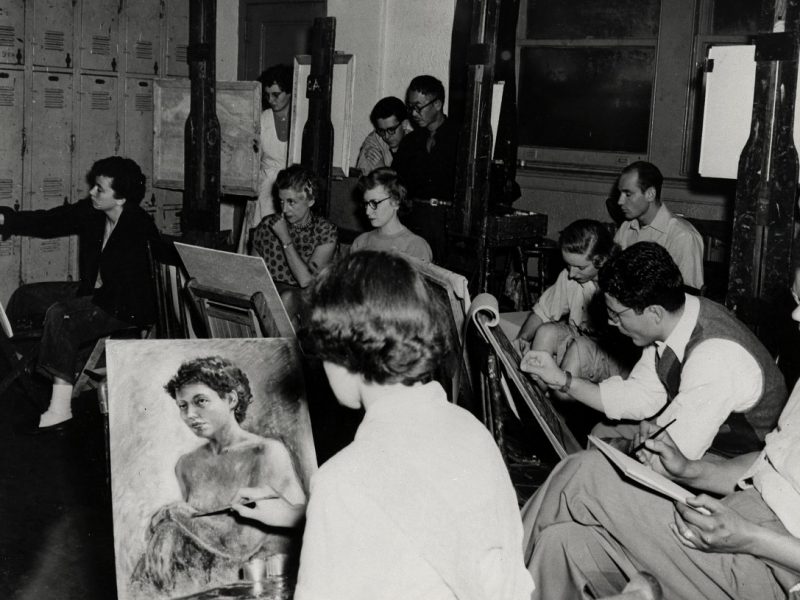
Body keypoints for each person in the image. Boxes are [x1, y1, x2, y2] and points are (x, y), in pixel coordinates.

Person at [237, 251, 533, 599]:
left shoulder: (342, 480)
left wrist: (322, 509)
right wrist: (302, 516)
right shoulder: (472, 432)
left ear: (343, 356)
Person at [521, 342, 800, 598]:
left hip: (772, 565)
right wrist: (688, 470)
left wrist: (752, 538)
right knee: (558, 545)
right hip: (736, 519)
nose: (795, 315)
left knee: (586, 473)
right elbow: (771, 463)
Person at [521, 242, 787, 460]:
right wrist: (561, 379)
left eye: (617, 315)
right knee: (599, 435)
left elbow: (678, 452)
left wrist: (620, 450)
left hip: (741, 459)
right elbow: (640, 396)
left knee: (595, 461)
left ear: (654, 313)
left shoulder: (713, 356)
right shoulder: (676, 317)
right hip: (707, 437)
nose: (612, 323)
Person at [0, 156, 164, 431]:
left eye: (100, 189)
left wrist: (79, 305)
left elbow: (134, 289)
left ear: (120, 198)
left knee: (62, 316)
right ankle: (21, 365)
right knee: (26, 296)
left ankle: (61, 407)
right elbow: (50, 220)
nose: (92, 192)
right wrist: (6, 218)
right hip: (94, 290)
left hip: (124, 304)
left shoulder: (139, 227)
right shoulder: (93, 212)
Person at [132, 356, 306, 597]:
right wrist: (168, 531)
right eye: (182, 406)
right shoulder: (187, 464)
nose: (190, 414)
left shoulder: (266, 452)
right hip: (210, 587)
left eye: (200, 401)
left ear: (231, 399)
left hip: (262, 585)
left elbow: (239, 543)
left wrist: (173, 517)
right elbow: (199, 541)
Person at [514, 219, 628, 393]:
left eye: (580, 267)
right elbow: (542, 311)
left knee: (579, 350)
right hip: (582, 339)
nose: (572, 273)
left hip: (615, 355)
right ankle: (538, 396)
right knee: (545, 331)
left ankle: (557, 405)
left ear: (602, 259)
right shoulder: (570, 276)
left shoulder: (620, 283)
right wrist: (522, 338)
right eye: (568, 265)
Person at [250, 165, 337, 322]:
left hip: (307, 299)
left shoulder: (325, 231)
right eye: (281, 201)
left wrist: (285, 238)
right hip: (269, 294)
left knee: (287, 298)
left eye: (291, 202)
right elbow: (253, 272)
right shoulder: (268, 224)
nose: (284, 209)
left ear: (310, 200)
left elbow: (306, 281)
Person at [392, 75, 460, 261]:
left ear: (437, 104)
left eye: (418, 107)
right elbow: (397, 183)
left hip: (448, 227)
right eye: (410, 108)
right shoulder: (409, 142)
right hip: (415, 222)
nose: (413, 114)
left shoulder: (461, 140)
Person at [613, 161, 705, 290]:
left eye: (628, 194)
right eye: (620, 194)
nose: (620, 201)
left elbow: (688, 294)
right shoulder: (626, 228)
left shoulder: (683, 236)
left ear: (650, 194)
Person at [350, 167, 432, 262]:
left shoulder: (415, 247)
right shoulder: (360, 242)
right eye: (366, 203)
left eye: (375, 203)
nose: (367, 211)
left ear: (396, 202)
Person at [255, 64, 293, 223]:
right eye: (267, 95)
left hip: (292, 191)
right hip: (266, 191)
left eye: (276, 94)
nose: (271, 100)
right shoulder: (263, 119)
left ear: (290, 92)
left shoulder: (300, 119)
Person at [355, 96, 412, 175]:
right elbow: (363, 183)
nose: (386, 136)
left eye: (391, 130)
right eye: (381, 130)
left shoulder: (417, 143)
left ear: (404, 124)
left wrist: (384, 172)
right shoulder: (373, 144)